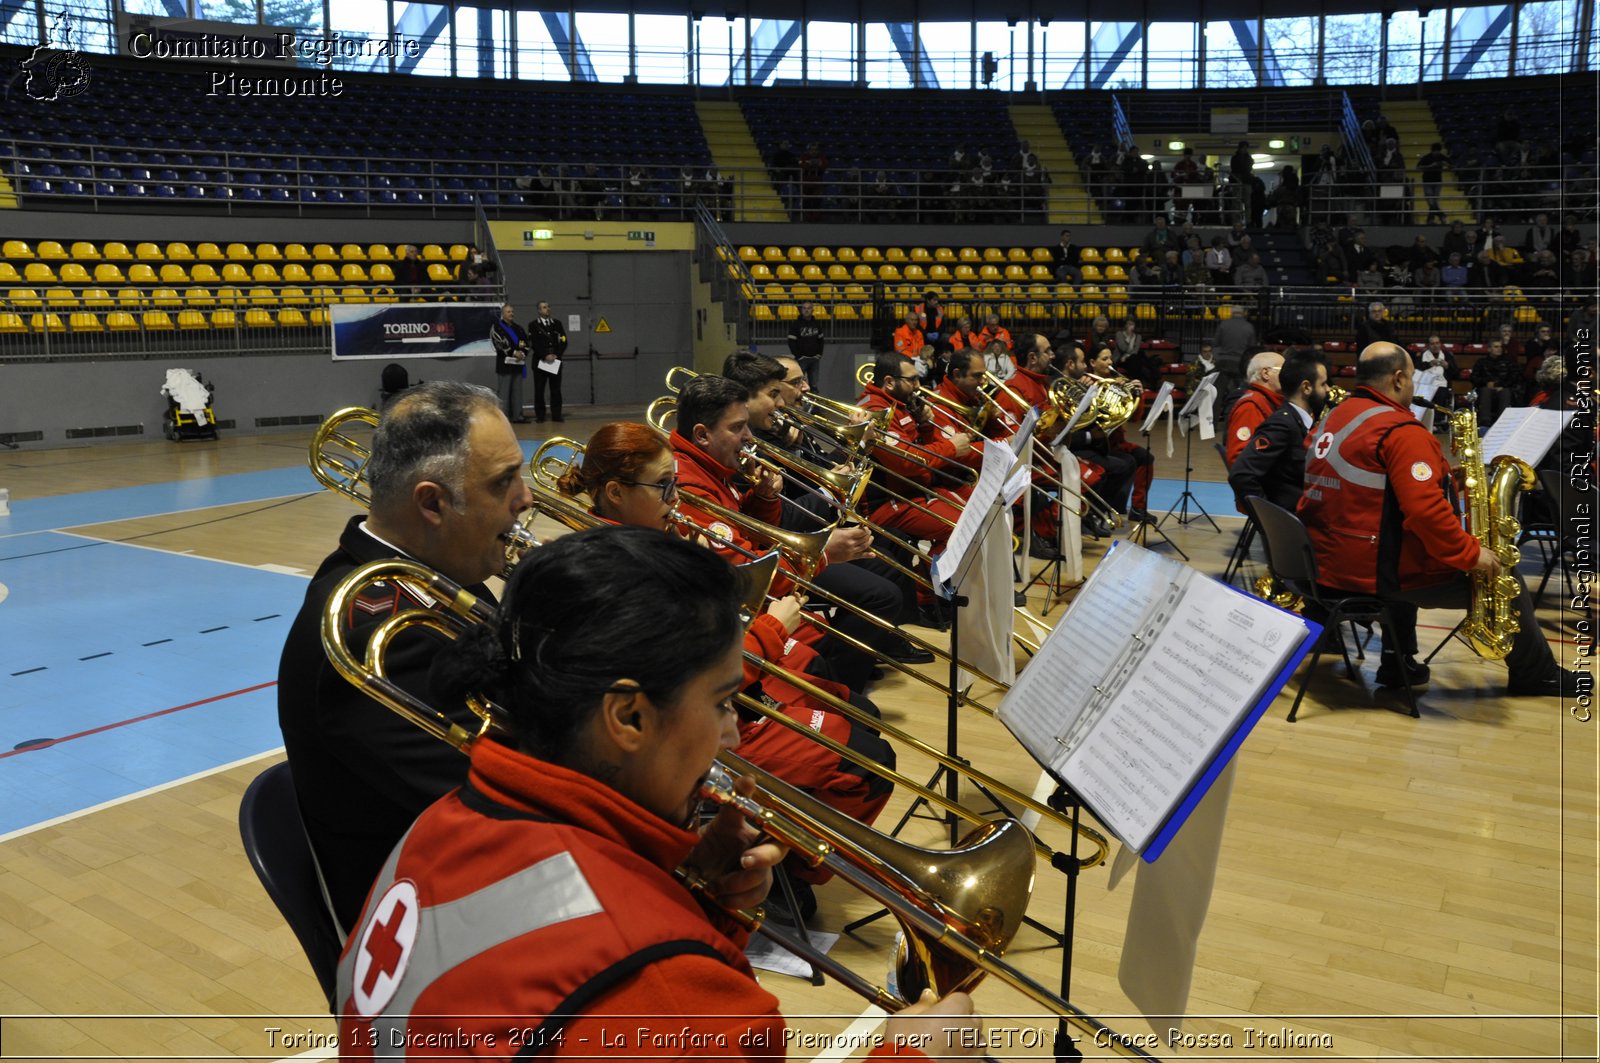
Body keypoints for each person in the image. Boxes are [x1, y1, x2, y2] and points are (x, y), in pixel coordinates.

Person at [334, 527, 981, 1059]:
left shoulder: (433, 829)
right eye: (724, 701)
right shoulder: (664, 988)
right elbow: (632, 987)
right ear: (629, 718)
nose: (732, 734)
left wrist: (689, 896)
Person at [279, 381, 534, 932]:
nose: (527, 497)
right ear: (432, 504)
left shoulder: (438, 576)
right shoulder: (376, 630)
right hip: (438, 928)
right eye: (503, 481)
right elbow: (503, 803)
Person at [1297, 343, 1582, 697]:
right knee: (1503, 576)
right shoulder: (1400, 430)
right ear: (1399, 378)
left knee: (1410, 546)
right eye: (1412, 378)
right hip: (1368, 570)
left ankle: (1397, 662)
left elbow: (1371, 482)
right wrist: (1471, 554)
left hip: (1323, 560)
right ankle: (1536, 674)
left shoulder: (1337, 416)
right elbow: (1424, 513)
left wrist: (1446, 478)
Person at [1229, 350, 1328, 512]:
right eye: (1323, 384)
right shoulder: (1253, 405)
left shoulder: (1282, 410)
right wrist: (1268, 517)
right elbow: (1241, 467)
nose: (1287, 375)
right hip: (1288, 512)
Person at [1223, 350, 1283, 466]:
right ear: (1266, 373)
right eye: (1283, 371)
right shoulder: (1251, 406)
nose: (1288, 375)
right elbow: (1239, 459)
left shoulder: (1267, 400)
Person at [489, 303, 530, 423]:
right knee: (504, 393)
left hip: (518, 365)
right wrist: (513, 353)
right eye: (508, 312)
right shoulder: (497, 327)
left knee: (517, 392)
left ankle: (518, 416)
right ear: (503, 313)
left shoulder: (519, 328)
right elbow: (499, 343)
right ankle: (503, 419)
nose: (511, 314)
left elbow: (525, 342)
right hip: (504, 365)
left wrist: (522, 353)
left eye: (512, 311)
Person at [529, 300, 567, 423]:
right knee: (539, 390)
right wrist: (545, 355)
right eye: (544, 307)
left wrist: (557, 354)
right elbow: (533, 343)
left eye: (548, 307)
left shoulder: (557, 324)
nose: (548, 309)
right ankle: (540, 415)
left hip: (555, 361)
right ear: (539, 310)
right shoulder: (533, 325)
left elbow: (563, 341)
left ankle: (557, 414)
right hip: (541, 362)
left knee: (556, 390)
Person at [1471, 338, 1521, 426]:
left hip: (1503, 388)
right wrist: (1486, 383)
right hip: (1486, 388)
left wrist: (1501, 385)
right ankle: (1485, 421)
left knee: (1505, 391)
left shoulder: (1509, 362)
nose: (1499, 349)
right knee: (1486, 391)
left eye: (1500, 347)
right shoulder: (1481, 362)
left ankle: (1503, 421)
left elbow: (1514, 377)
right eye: (1496, 347)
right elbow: (1474, 377)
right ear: (1489, 349)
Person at [1210, 303, 1256, 398]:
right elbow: (1252, 348)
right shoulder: (1249, 327)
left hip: (1223, 361)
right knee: (1240, 391)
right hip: (1240, 362)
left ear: (1232, 313)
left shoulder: (1223, 324)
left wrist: (1218, 357)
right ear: (1243, 313)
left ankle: (1216, 411)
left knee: (1219, 390)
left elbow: (1215, 343)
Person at [785, 302, 825, 390]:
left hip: (814, 359)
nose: (806, 310)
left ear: (812, 310)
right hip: (801, 360)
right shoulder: (796, 324)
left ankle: (814, 403)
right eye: (804, 308)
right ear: (801, 310)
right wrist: (798, 356)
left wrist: (819, 354)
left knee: (814, 385)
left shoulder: (817, 324)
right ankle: (799, 403)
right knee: (799, 385)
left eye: (809, 308)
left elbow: (821, 340)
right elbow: (791, 342)